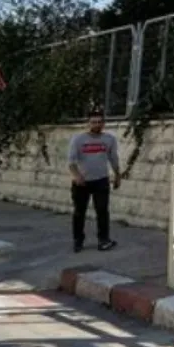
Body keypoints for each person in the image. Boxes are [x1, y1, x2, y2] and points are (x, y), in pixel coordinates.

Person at [68, 108, 121, 252]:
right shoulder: (78, 139)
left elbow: (113, 159)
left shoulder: (109, 139)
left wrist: (117, 175)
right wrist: (77, 176)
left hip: (101, 181)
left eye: (99, 122)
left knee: (102, 211)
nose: (96, 125)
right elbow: (71, 161)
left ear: (103, 124)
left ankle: (104, 240)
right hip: (82, 182)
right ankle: (78, 240)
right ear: (88, 123)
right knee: (79, 212)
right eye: (93, 122)